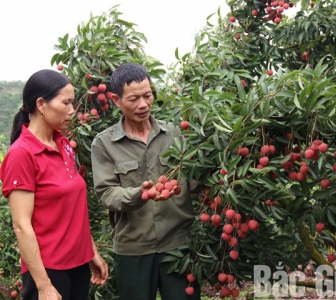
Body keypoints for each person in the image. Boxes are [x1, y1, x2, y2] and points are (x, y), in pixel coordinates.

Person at [90, 63, 200, 300]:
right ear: (116, 100)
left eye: (147, 96)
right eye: (133, 99)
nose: (143, 104)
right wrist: (138, 194)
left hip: (178, 244)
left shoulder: (175, 134)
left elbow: (194, 180)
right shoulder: (104, 143)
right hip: (133, 250)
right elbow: (106, 193)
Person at [0, 69, 108, 300]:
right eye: (66, 102)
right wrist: (44, 286)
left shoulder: (63, 144)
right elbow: (21, 226)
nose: (72, 110)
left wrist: (91, 253)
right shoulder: (22, 153)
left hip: (77, 264)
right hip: (49, 269)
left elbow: (72, 209)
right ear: (41, 104)